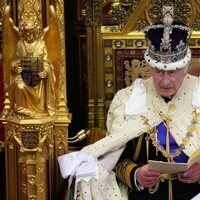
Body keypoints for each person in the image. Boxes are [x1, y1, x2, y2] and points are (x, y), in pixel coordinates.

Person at [58, 6, 200, 200]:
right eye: (159, 71)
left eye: (172, 72)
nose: (165, 81)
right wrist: (136, 175)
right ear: (148, 67)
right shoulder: (129, 98)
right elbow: (114, 158)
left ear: (185, 68)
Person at [9, 18, 56, 118]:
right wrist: (15, 67)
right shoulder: (20, 44)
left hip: (37, 77)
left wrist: (45, 72)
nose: (28, 35)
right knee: (19, 86)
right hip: (23, 75)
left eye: (31, 32)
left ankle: (40, 109)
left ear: (35, 32)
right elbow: (15, 61)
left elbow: (47, 62)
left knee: (39, 83)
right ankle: (21, 109)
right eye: (26, 32)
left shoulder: (41, 44)